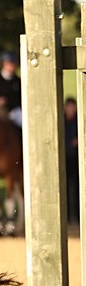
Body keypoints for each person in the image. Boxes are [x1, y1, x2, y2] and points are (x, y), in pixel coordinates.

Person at [64, 96, 79, 224]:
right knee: (65, 187)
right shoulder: (62, 121)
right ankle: (67, 216)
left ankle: (79, 215)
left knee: (78, 187)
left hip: (76, 159)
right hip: (65, 159)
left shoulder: (79, 122)